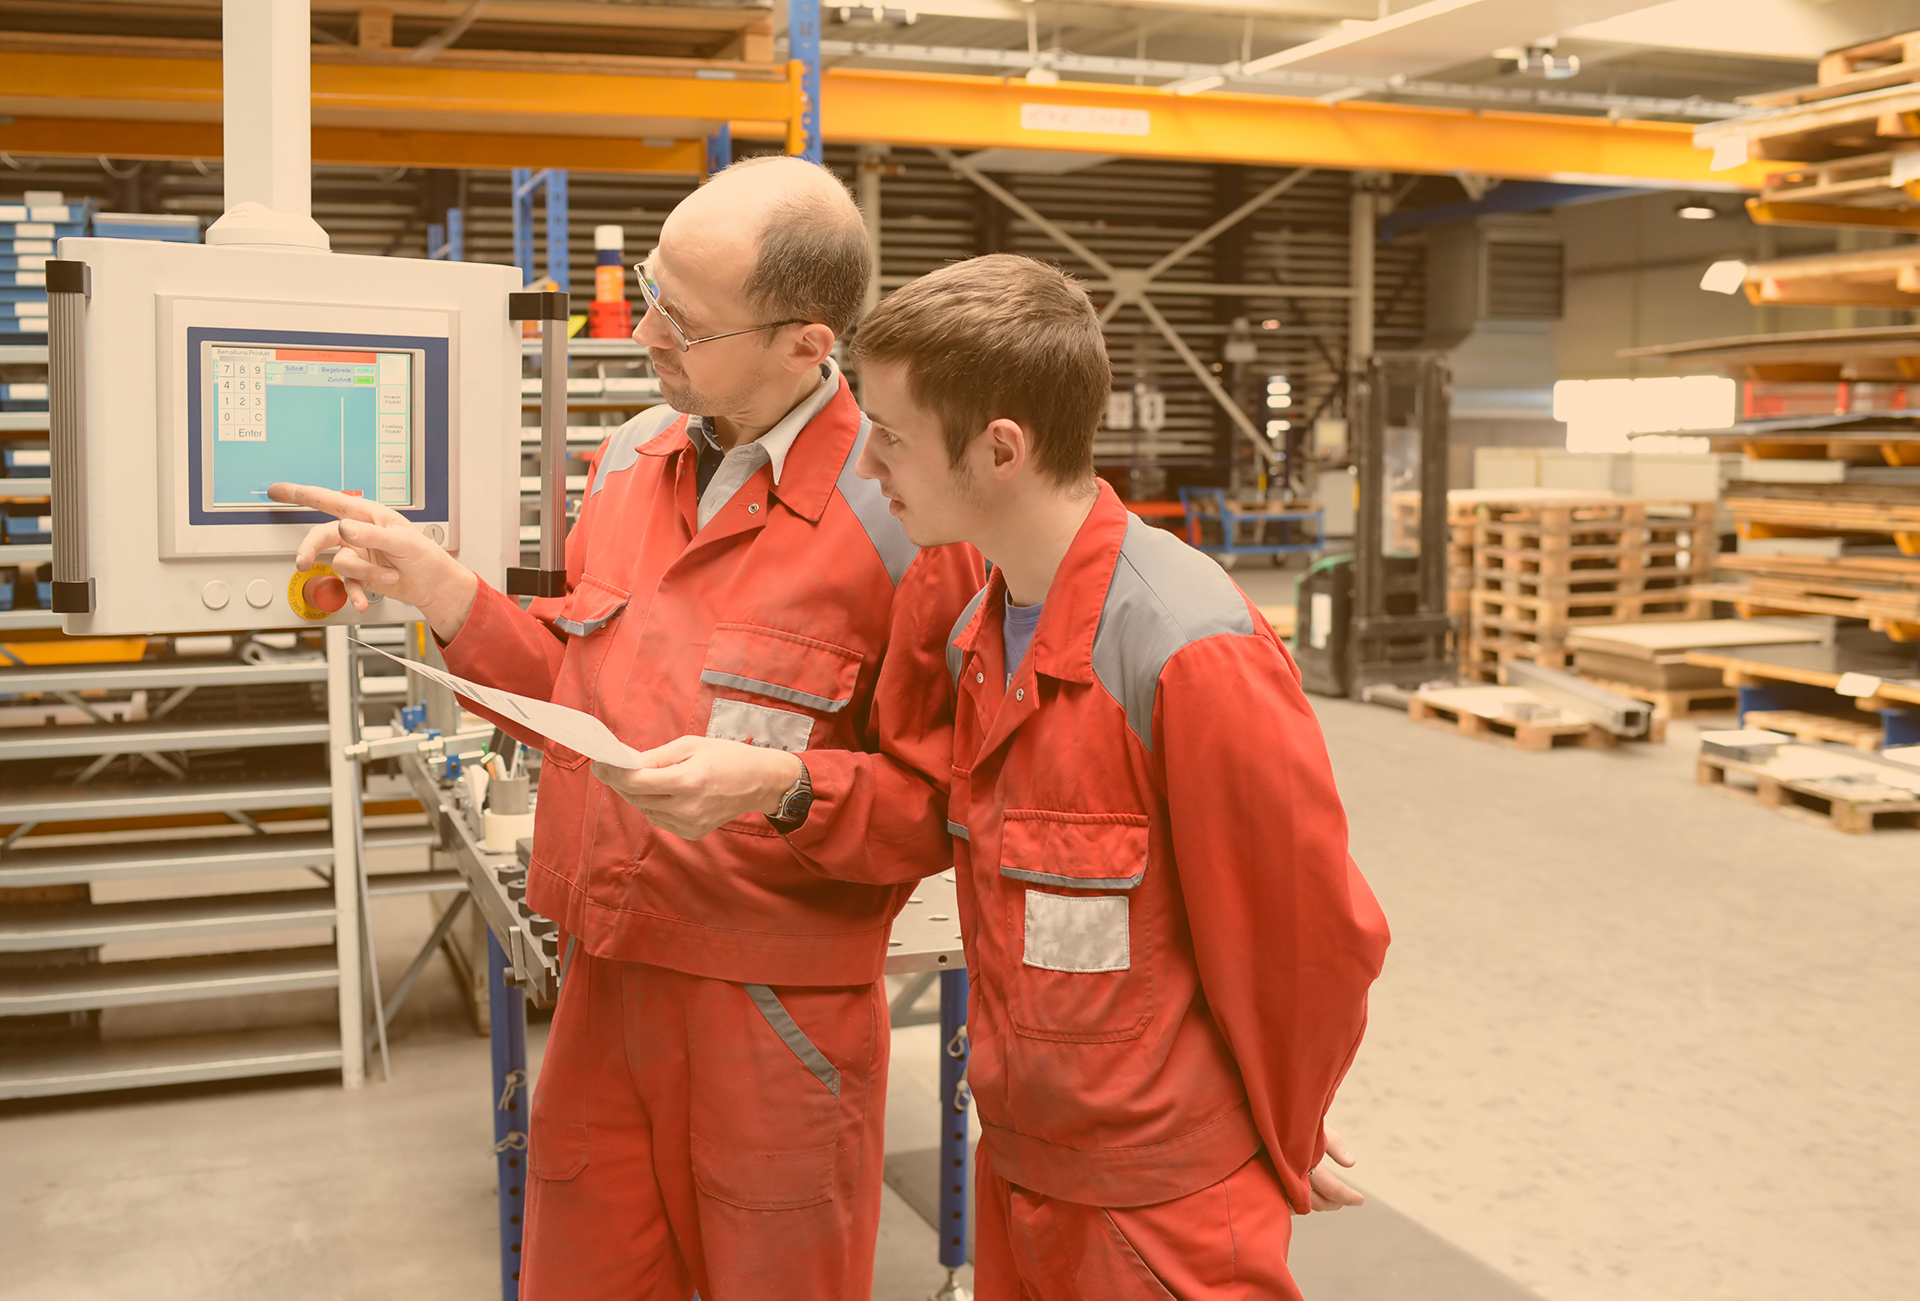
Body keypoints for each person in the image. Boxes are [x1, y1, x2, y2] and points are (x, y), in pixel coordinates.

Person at [269, 156, 983, 1299]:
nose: (646, 329)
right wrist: (441, 588)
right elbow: (577, 688)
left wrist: (780, 786)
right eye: (652, 288)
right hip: (603, 982)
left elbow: (944, 803)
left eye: (683, 320)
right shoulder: (633, 455)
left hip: (774, 1017)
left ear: (807, 342)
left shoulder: (907, 516)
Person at [845, 252, 1391, 1299]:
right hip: (1021, 1163)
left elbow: (1307, 940)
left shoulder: (1188, 649)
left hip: (1161, 1208)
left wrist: (1287, 1123)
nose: (871, 466)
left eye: (895, 437)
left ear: (1000, 448)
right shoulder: (985, 631)